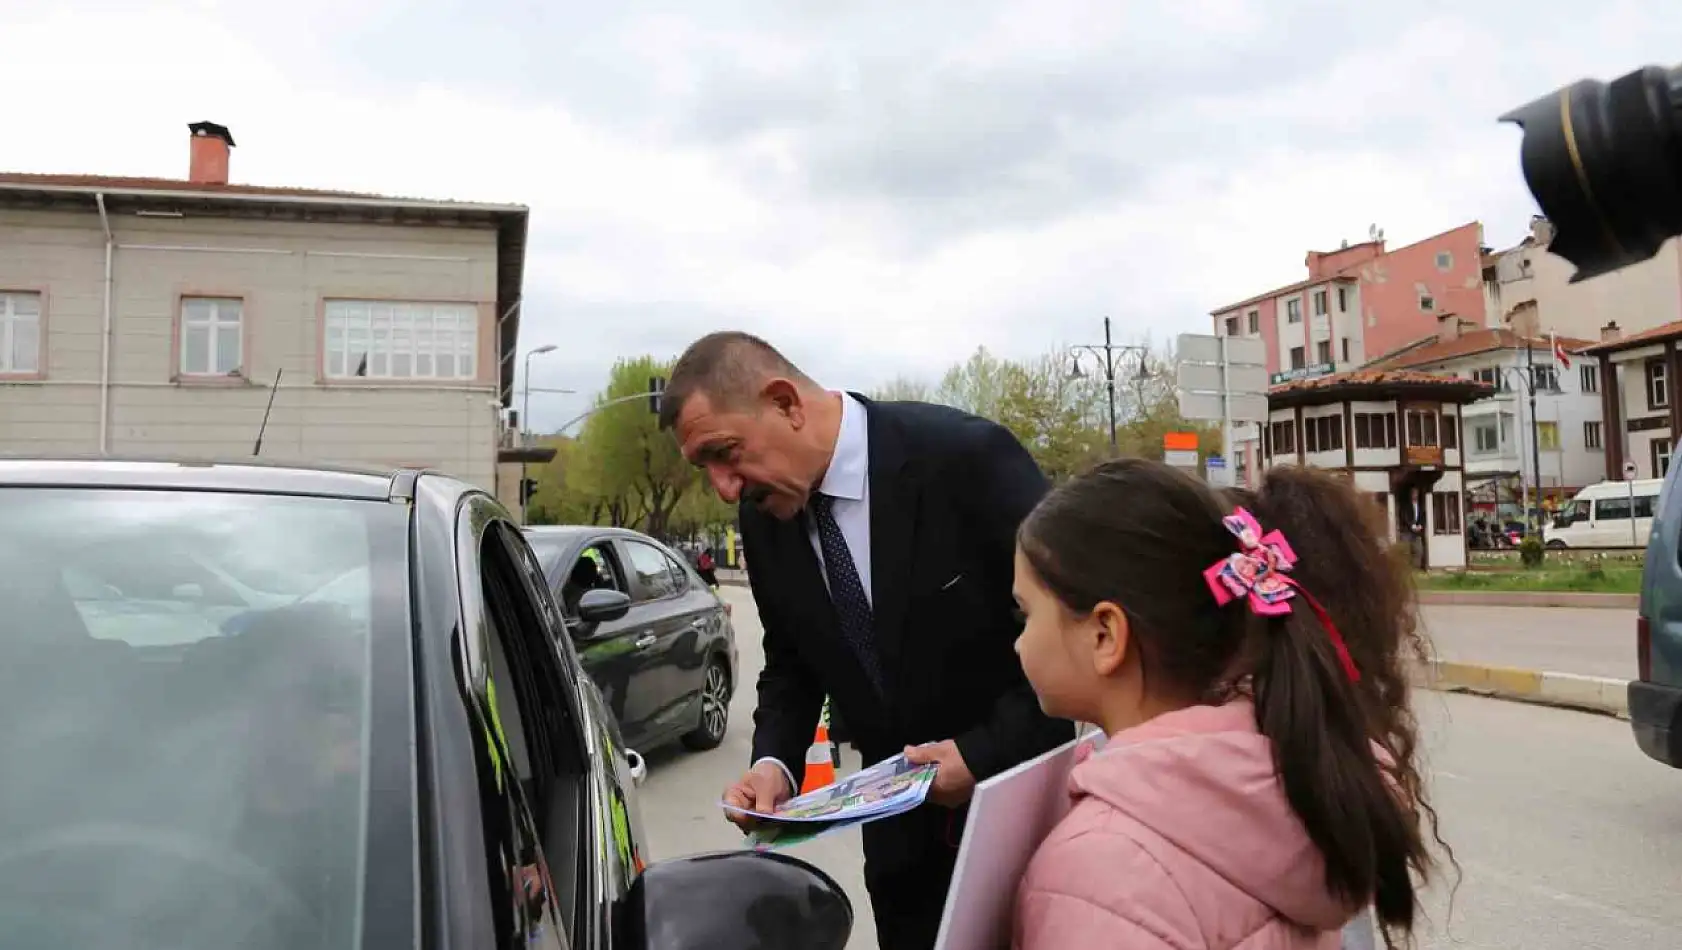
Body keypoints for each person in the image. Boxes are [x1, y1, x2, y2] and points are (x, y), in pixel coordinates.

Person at [659, 331, 1074, 950]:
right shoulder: (766, 518)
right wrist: (774, 761)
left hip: (1023, 824)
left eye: (726, 453)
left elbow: (1075, 628)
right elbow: (793, 662)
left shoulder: (964, 458)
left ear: (785, 403)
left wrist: (983, 755)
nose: (724, 487)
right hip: (900, 851)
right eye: (705, 469)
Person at [1009, 459, 1451, 950]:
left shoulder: (1095, 866)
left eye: (1025, 613)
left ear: (1104, 634)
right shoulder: (1295, 775)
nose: (1019, 642)